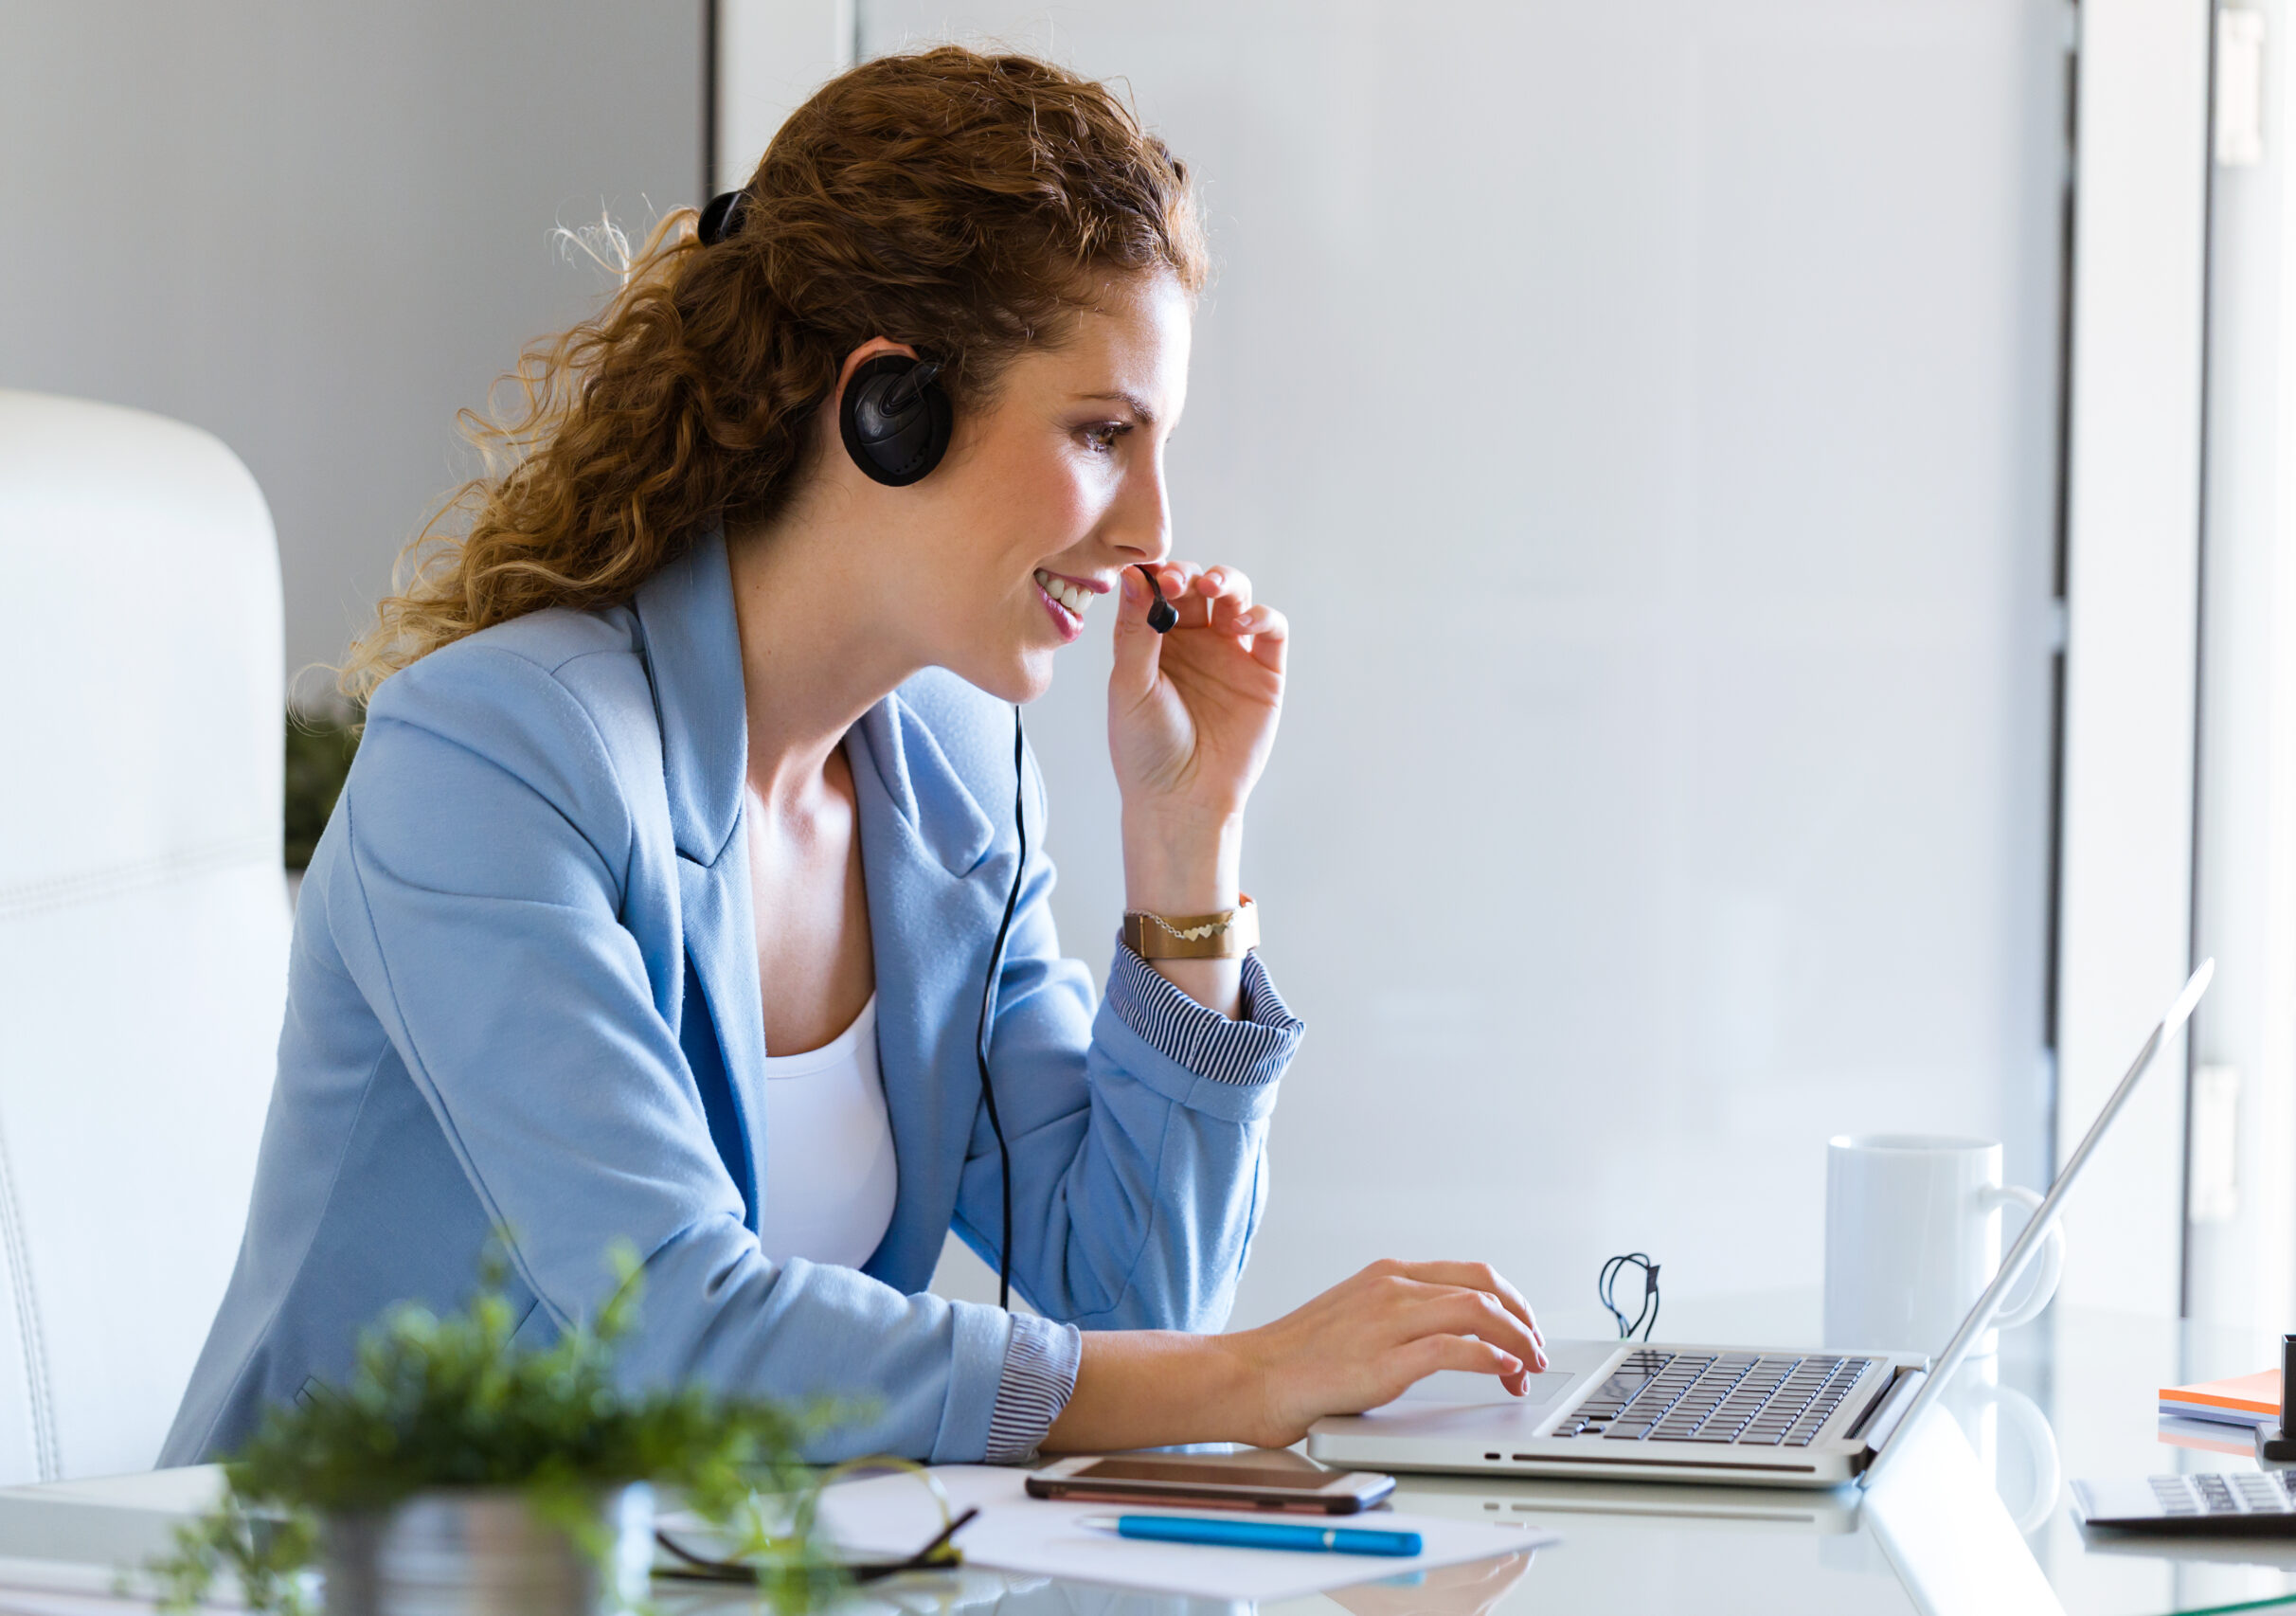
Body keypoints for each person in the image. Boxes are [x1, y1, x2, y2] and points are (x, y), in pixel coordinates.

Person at [162, 45, 1545, 1468]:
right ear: (892, 410)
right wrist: (1248, 1379)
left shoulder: (954, 778)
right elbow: (677, 1334)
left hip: (720, 1557)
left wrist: (1186, 847)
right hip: (351, 1557)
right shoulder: (497, 759)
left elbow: (1137, 1296)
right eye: (1100, 435)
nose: (1152, 527)